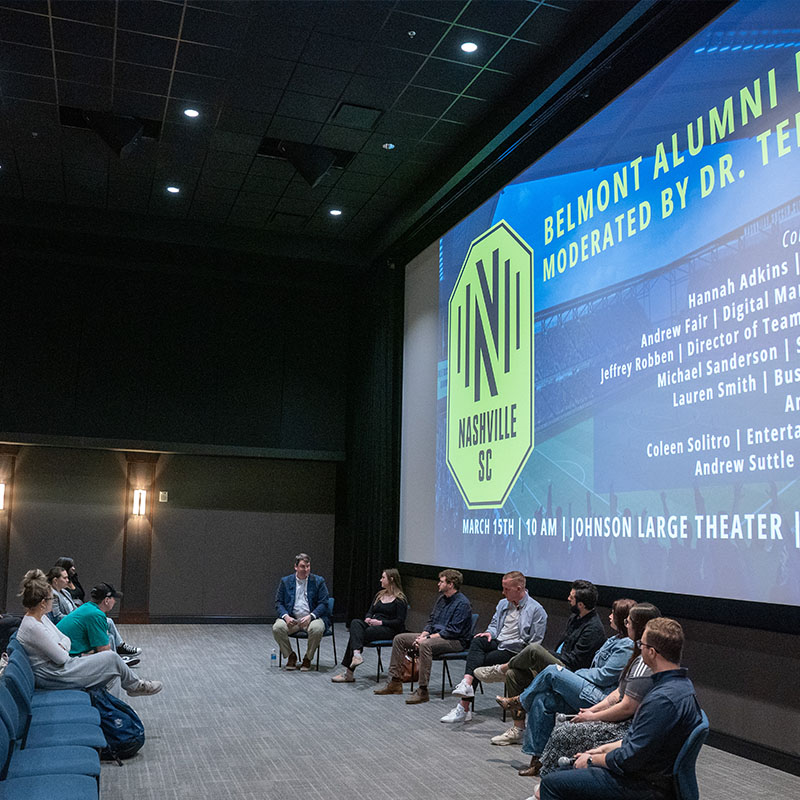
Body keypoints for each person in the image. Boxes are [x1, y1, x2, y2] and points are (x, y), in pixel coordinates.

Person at [537, 618, 702, 800]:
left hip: (643, 785)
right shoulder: (682, 687)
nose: (639, 647)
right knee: (570, 767)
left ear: (652, 652)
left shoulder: (661, 701)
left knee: (551, 784)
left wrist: (593, 760)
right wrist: (602, 750)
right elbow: (640, 742)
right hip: (650, 774)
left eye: (642, 644)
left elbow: (629, 759)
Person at [511, 598, 637, 775]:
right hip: (589, 689)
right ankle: (539, 760)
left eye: (613, 614)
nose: (609, 616)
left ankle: (520, 702)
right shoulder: (615, 639)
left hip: (601, 696)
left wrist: (578, 674)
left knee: (552, 671)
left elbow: (604, 675)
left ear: (623, 620)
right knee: (542, 700)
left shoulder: (627, 645)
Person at [536, 602, 661, 778]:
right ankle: (547, 777)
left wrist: (592, 716)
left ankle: (551, 783)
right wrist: (592, 711)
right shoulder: (634, 650)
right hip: (611, 707)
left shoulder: (642, 661)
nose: (626, 624)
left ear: (639, 626)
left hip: (626, 725)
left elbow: (626, 706)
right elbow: (617, 693)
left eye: (629, 621)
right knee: (544, 699)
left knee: (562, 730)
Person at [475, 579, 607, 745]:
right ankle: (518, 729)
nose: (568, 598)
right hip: (559, 664)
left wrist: (545, 656)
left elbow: (574, 661)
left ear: (580, 604)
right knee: (513, 674)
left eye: (571, 597)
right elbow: (563, 648)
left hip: (570, 674)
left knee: (534, 650)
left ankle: (499, 669)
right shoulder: (576, 617)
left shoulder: (593, 628)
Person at [16, 569, 161, 696]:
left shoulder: (41, 619)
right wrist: (62, 645)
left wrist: (62, 645)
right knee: (111, 659)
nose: (52, 602)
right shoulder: (33, 627)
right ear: (42, 603)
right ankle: (135, 686)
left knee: (112, 673)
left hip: (60, 667)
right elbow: (61, 658)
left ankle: (117, 716)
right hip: (53, 674)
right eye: (51, 599)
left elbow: (65, 639)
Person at [440, 570, 548, 724]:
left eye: (506, 589)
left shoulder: (536, 610)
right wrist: (489, 633)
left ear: (519, 588)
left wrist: (520, 659)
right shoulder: (503, 604)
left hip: (515, 651)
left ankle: (463, 707)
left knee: (480, 661)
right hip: (498, 642)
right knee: (477, 641)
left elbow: (534, 645)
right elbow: (493, 626)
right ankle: (466, 684)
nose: (503, 593)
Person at [374, 568, 472, 704]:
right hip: (435, 637)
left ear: (451, 584)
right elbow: (431, 621)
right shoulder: (442, 599)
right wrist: (424, 634)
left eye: (442, 581)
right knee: (400, 638)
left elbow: (452, 631)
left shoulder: (462, 603)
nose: (438, 584)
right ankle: (395, 682)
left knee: (425, 645)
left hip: (455, 641)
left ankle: (423, 690)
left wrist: (426, 639)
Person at [47, 567, 142, 660]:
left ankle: (119, 656)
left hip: (66, 650)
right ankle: (119, 658)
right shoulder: (96, 615)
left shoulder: (88, 606)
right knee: (109, 650)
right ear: (106, 600)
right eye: (114, 599)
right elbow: (103, 650)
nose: (115, 602)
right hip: (69, 658)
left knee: (110, 638)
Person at [332, 568, 408, 683]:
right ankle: (356, 655)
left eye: (383, 577)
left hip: (389, 629)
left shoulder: (400, 599)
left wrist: (381, 623)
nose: (380, 580)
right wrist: (368, 618)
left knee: (358, 635)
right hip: (373, 625)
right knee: (355, 623)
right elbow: (370, 611)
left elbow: (400, 621)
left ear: (391, 579)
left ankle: (349, 673)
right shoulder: (379, 595)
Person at [273, 552, 331, 671]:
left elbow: (324, 603)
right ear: (296, 567)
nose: (306, 569)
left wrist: (311, 616)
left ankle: (307, 658)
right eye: (303, 566)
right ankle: (291, 655)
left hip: (312, 618)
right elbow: (279, 602)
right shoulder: (286, 581)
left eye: (308, 566)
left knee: (317, 629)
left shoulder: (318, 581)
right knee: (277, 628)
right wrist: (286, 617)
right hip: (292, 619)